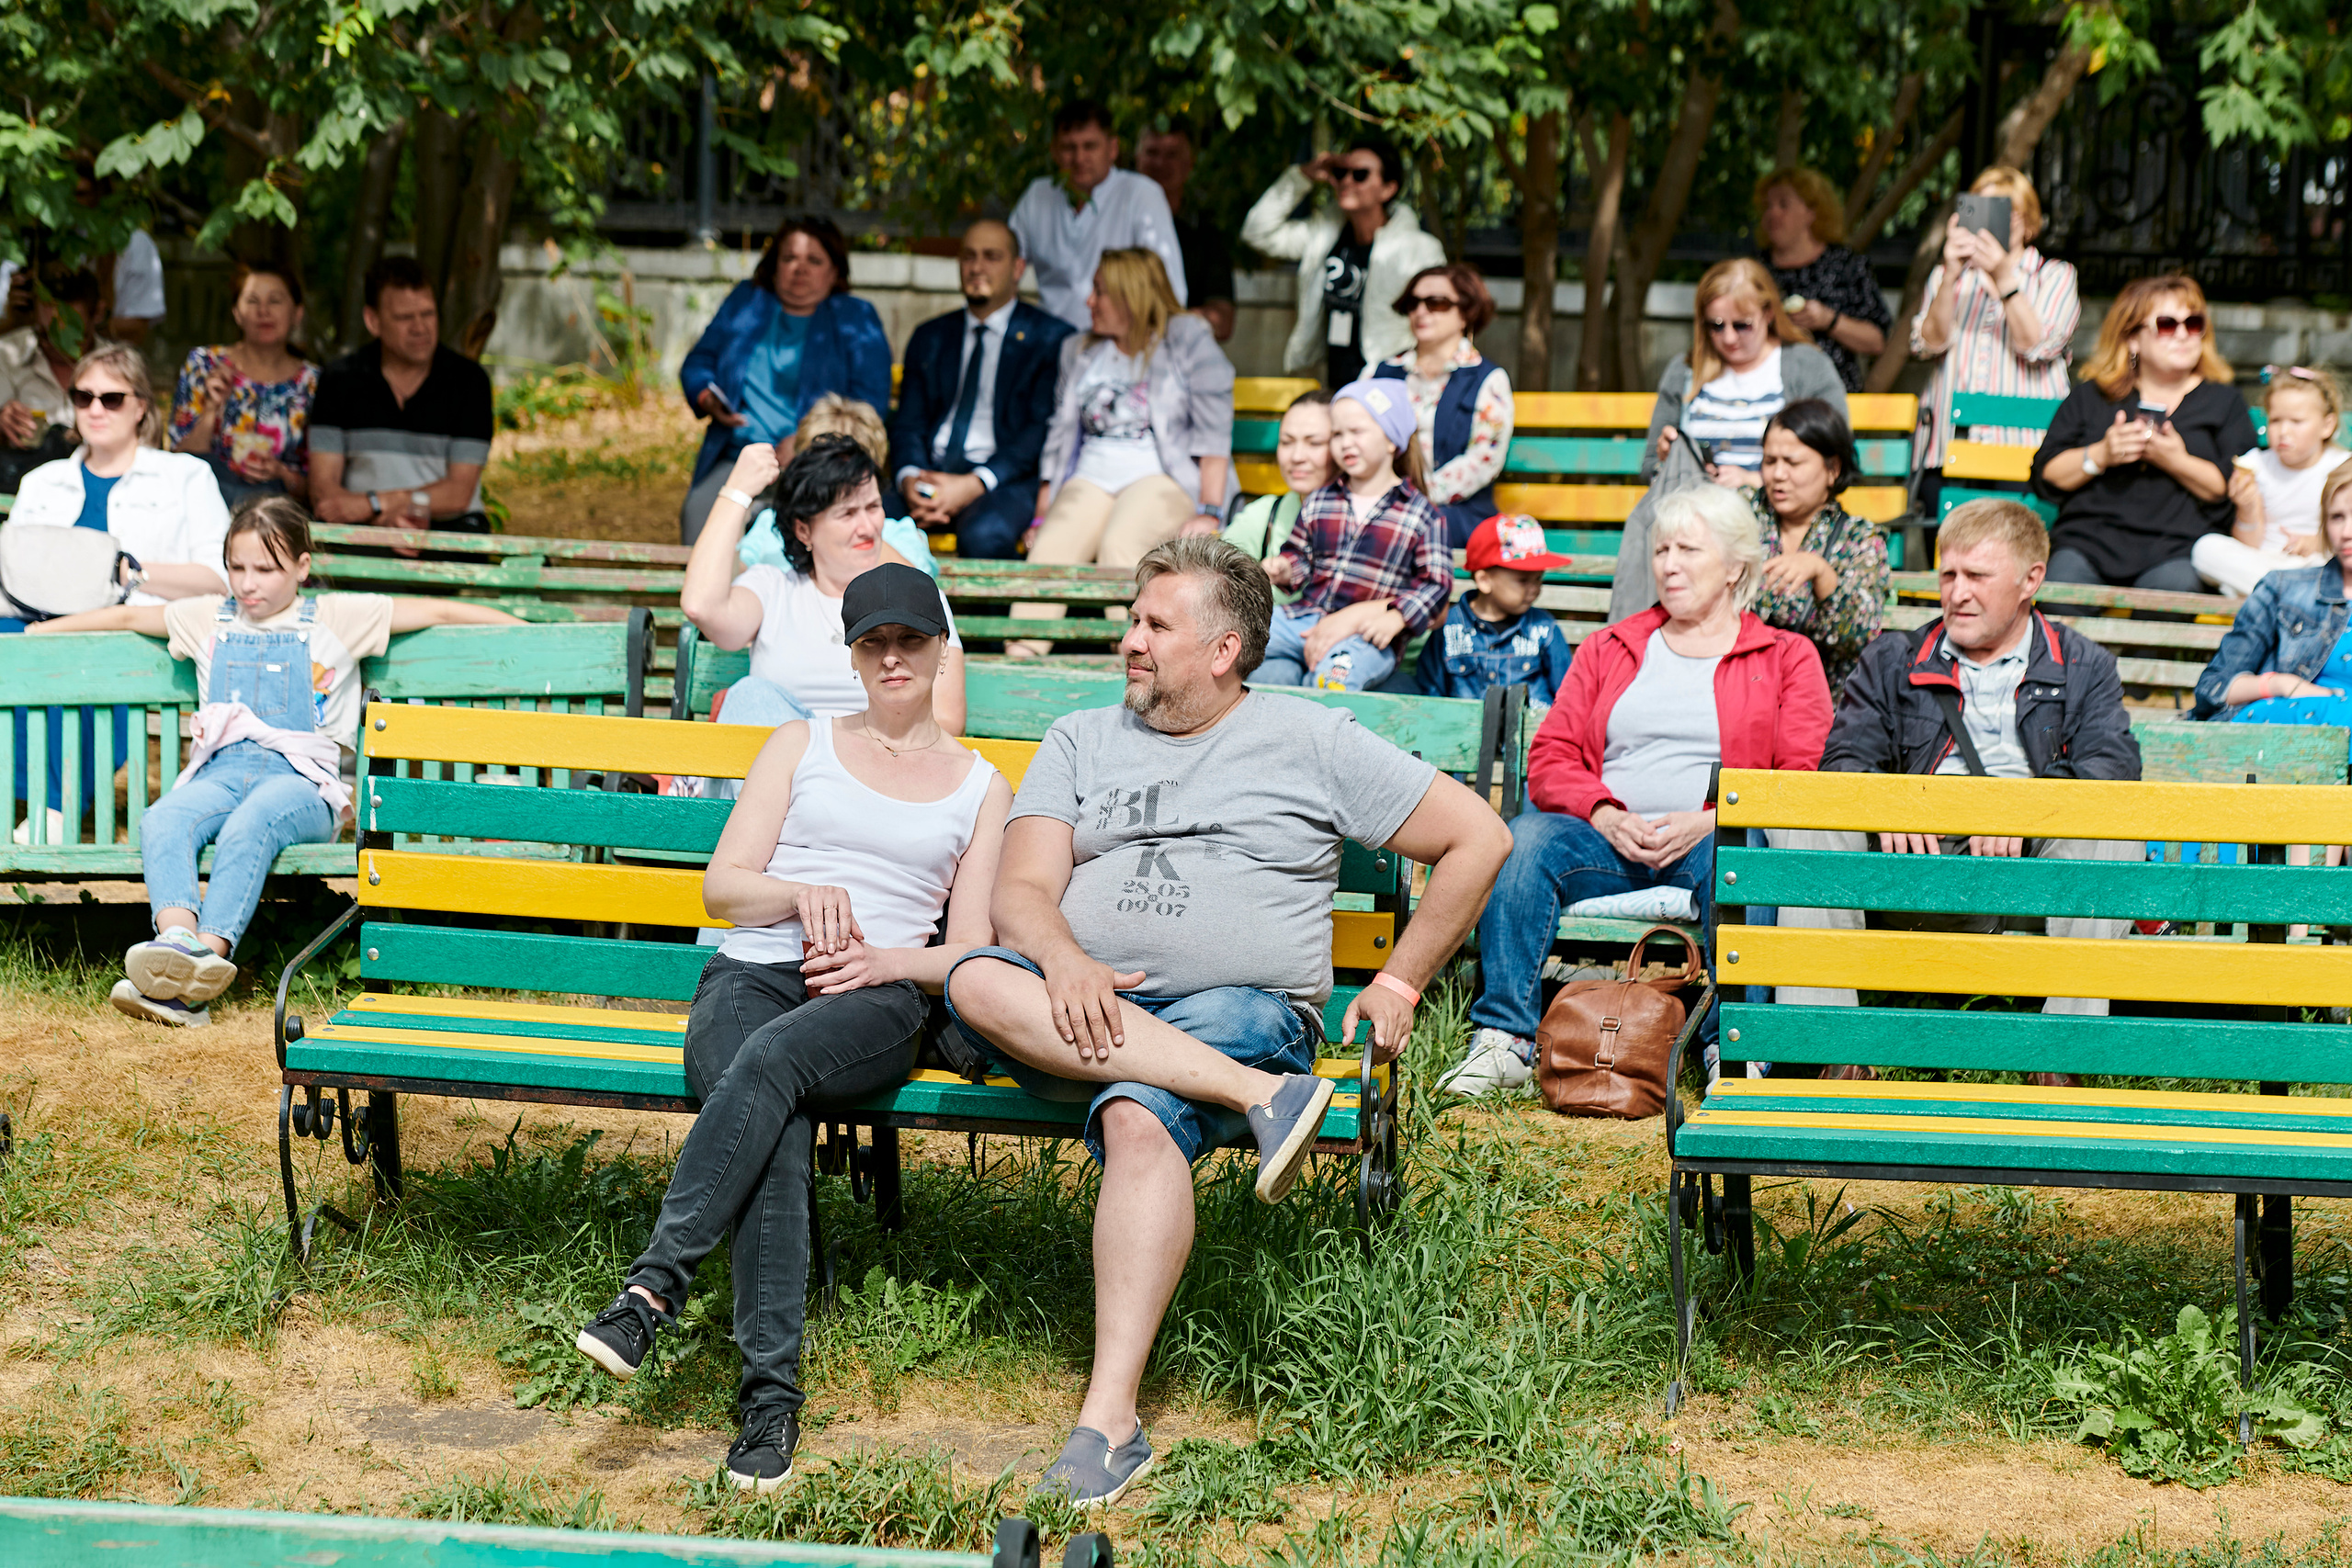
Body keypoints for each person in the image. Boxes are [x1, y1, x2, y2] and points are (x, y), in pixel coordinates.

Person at [942, 536, 1510, 1506]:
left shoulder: (1308, 741)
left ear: (1223, 649)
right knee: (978, 982)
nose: (1129, 640)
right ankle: (1262, 1099)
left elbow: (1479, 836)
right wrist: (1067, 959)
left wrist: (1402, 983)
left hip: (1239, 1010)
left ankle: (1108, 1423)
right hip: (1080, 1003)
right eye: (1130, 619)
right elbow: (1023, 889)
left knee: (1136, 1108)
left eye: (1155, 625)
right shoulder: (1080, 737)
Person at [572, 562, 1012, 1494]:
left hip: (876, 995)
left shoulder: (980, 786)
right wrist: (800, 890)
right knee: (772, 1119)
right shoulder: (796, 744)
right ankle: (768, 1405)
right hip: (751, 972)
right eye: (873, 643)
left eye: (910, 641)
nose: (892, 657)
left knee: (768, 1072)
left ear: (941, 650)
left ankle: (653, 1288)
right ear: (851, 656)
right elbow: (723, 886)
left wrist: (891, 960)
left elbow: (967, 953)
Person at [28, 498, 515, 1025]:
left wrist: (522, 626)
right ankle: (175, 943)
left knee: (249, 825)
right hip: (222, 773)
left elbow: (440, 611)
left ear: (302, 568)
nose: (247, 583)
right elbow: (126, 615)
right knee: (163, 816)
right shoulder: (206, 617)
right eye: (237, 568)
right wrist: (32, 635)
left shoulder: (337, 617)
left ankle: (203, 968)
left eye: (266, 569)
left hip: (302, 784)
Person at [1445, 485, 1832, 1098]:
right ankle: (1506, 1040)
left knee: (1748, 853)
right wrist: (1603, 812)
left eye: (1688, 550)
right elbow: (1552, 755)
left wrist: (1708, 822)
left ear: (1735, 567)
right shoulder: (1612, 646)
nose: (1668, 564)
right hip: (1610, 843)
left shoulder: (1786, 656)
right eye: (1661, 549)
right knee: (1520, 838)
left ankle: (1734, 1052)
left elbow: (1797, 776)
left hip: (1711, 842)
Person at [1770, 500, 2143, 1083]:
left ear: (2031, 580)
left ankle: (2060, 1052)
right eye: (1949, 575)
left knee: (2113, 835)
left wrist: (2022, 812)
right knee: (1806, 820)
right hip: (1909, 859)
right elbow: (1844, 761)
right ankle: (1830, 1046)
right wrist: (1890, 801)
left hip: (2025, 867)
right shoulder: (1893, 658)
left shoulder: (2083, 664)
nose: (1958, 593)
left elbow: (2113, 767)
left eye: (1978, 576)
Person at [6, 342, 233, 841]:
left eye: (110, 398)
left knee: (96, 653)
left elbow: (218, 580)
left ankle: (54, 807)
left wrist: (130, 574)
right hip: (39, 627)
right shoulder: (43, 483)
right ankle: (28, 802)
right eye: (83, 396)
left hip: (141, 631)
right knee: (12, 639)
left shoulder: (186, 476)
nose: (94, 409)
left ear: (140, 407)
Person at [1007, 249, 1233, 656]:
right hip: (1091, 477)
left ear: (1131, 295)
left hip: (1161, 477)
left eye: (1100, 292)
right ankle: (1020, 660)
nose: (1089, 302)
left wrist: (1211, 509)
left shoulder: (1186, 340)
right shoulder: (1079, 350)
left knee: (1121, 544)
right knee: (1051, 552)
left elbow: (1214, 432)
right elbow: (1058, 443)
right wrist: (1043, 514)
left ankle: (1133, 663)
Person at [683, 434, 966, 739]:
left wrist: (835, 751)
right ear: (804, 529)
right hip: (775, 774)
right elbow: (702, 606)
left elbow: (948, 719)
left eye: (872, 507)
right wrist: (736, 492)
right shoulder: (774, 588)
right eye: (847, 513)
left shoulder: (916, 596)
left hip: (875, 768)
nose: (867, 527)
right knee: (751, 697)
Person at [2033, 274, 2256, 592]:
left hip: (2176, 549)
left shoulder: (2224, 402)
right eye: (2167, 325)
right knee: (2061, 588)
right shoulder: (2093, 397)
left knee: (2175, 592)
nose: (2183, 335)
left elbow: (2230, 487)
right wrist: (2102, 454)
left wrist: (2175, 461)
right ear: (2132, 339)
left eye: (2193, 324)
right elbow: (2048, 474)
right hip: (2089, 543)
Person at [678, 216, 891, 545]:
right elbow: (699, 360)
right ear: (774, 265)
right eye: (789, 258)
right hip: (739, 456)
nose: (799, 268)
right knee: (699, 515)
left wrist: (808, 441)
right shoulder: (746, 301)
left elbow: (870, 402)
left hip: (818, 463)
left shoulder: (855, 317)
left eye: (814, 260)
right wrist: (707, 395)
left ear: (835, 272)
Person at [887, 220, 1075, 560]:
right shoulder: (931, 336)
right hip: (932, 474)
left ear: (1018, 268)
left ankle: (986, 615)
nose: (977, 267)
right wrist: (910, 479)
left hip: (1005, 480)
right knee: (872, 520)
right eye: (969, 257)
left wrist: (974, 483)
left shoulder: (1051, 339)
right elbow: (908, 423)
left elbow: (1038, 433)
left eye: (992, 256)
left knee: (984, 536)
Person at [1910, 165, 2082, 521]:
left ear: (2027, 221)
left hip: (2024, 448)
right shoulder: (1948, 276)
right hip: (1948, 446)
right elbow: (1929, 344)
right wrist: (1950, 276)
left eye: (2005, 211)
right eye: (1980, 210)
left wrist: (2004, 278)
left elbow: (2037, 346)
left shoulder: (2054, 276)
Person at [1257, 379, 1450, 691]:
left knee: (1331, 682)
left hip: (1367, 636)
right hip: (1303, 619)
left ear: (1392, 441)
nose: (1345, 443)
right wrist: (1284, 568)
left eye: (1357, 432)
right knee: (1236, 637)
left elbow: (1436, 584)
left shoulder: (1421, 515)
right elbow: (1302, 557)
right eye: (1337, 434)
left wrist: (1398, 617)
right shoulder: (1321, 500)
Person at [308, 255, 495, 543]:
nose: (420, 328)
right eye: (405, 317)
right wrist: (382, 521)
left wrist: (378, 504)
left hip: (448, 531)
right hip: (362, 532)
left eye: (428, 314)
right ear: (373, 321)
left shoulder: (469, 382)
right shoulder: (339, 379)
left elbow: (459, 493)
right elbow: (324, 490)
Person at [1241, 139, 1446, 388]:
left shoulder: (1419, 249)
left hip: (1389, 385)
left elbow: (1439, 322)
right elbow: (1257, 231)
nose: (1347, 181)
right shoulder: (1323, 235)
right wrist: (1302, 176)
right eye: (1340, 173)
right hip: (1331, 382)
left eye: (1360, 175)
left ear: (1388, 189)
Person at [1646, 259, 1847, 491]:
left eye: (1742, 325)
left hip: (1774, 517)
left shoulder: (1808, 366)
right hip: (1697, 512)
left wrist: (1755, 482)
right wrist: (1671, 462)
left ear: (1769, 313)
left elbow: (1836, 460)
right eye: (1716, 325)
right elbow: (1650, 466)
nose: (1729, 338)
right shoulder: (1684, 370)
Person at [2193, 464, 2352, 728]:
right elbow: (2213, 688)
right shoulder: (2282, 588)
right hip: (2287, 724)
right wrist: (2281, 684)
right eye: (2337, 517)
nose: (2347, 532)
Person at [1749, 399, 1888, 695]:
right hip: (1743, 692)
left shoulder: (1859, 538)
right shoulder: (1741, 518)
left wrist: (1822, 574)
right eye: (1770, 461)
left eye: (1793, 462)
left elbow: (1861, 636)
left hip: (1824, 702)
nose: (1778, 475)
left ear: (1832, 469)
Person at [1010, 101, 1188, 333]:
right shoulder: (1037, 195)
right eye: (1068, 147)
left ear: (1112, 148)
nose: (1079, 158)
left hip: (1115, 344)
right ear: (1053, 150)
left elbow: (1169, 289)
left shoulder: (1141, 194)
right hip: (1047, 345)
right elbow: (1003, 266)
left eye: (1090, 146)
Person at [1373, 262, 1512, 547]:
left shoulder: (1488, 379)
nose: (1421, 311)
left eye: (1436, 303)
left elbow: (1483, 459)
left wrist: (1411, 501)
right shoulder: (1380, 373)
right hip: (1380, 504)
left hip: (1456, 513)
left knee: (1404, 532)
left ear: (1466, 313)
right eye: (1414, 303)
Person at [169, 262, 317, 509]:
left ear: (297, 314)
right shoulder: (205, 365)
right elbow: (177, 462)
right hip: (207, 509)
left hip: (281, 518)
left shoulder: (313, 382)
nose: (263, 311)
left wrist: (281, 473)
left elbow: (322, 489)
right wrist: (212, 407)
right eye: (252, 301)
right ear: (236, 313)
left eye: (275, 301)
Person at [2193, 367, 2349, 597]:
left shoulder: (2342, 467)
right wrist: (2248, 509)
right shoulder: (2254, 465)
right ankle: (2289, 595)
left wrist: (2319, 543)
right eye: (2275, 420)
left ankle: (2271, 595)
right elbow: (2249, 544)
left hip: (2314, 564)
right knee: (2205, 548)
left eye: (2297, 422)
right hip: (2260, 563)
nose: (2284, 431)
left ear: (2327, 426)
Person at [1756, 166, 1891, 394]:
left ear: (1812, 212)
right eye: (1767, 206)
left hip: (1832, 397)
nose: (1772, 213)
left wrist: (1829, 320)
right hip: (1767, 392)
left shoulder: (1845, 264)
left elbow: (1877, 341)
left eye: (1783, 204)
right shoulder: (1756, 269)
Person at [1415, 513, 1576, 706]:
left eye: (1538, 579)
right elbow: (1430, 693)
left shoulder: (1544, 628)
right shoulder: (1449, 628)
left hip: (1533, 733)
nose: (1534, 588)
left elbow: (1568, 695)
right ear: (1484, 581)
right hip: (1464, 732)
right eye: (1523, 580)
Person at [1209, 389, 1331, 605]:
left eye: (1314, 443)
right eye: (1287, 442)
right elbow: (1215, 588)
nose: (1296, 457)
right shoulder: (1263, 515)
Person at [0, 266, 98, 491]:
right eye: (46, 334)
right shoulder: (6, 353)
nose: (58, 344)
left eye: (71, 335)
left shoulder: (118, 368)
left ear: (98, 314)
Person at [1135, 126, 1236, 343]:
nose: (1160, 164)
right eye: (1152, 153)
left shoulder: (1206, 234)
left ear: (1189, 164)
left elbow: (1223, 321)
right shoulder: (1115, 221)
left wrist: (1157, 324)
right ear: (1137, 159)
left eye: (1171, 155)